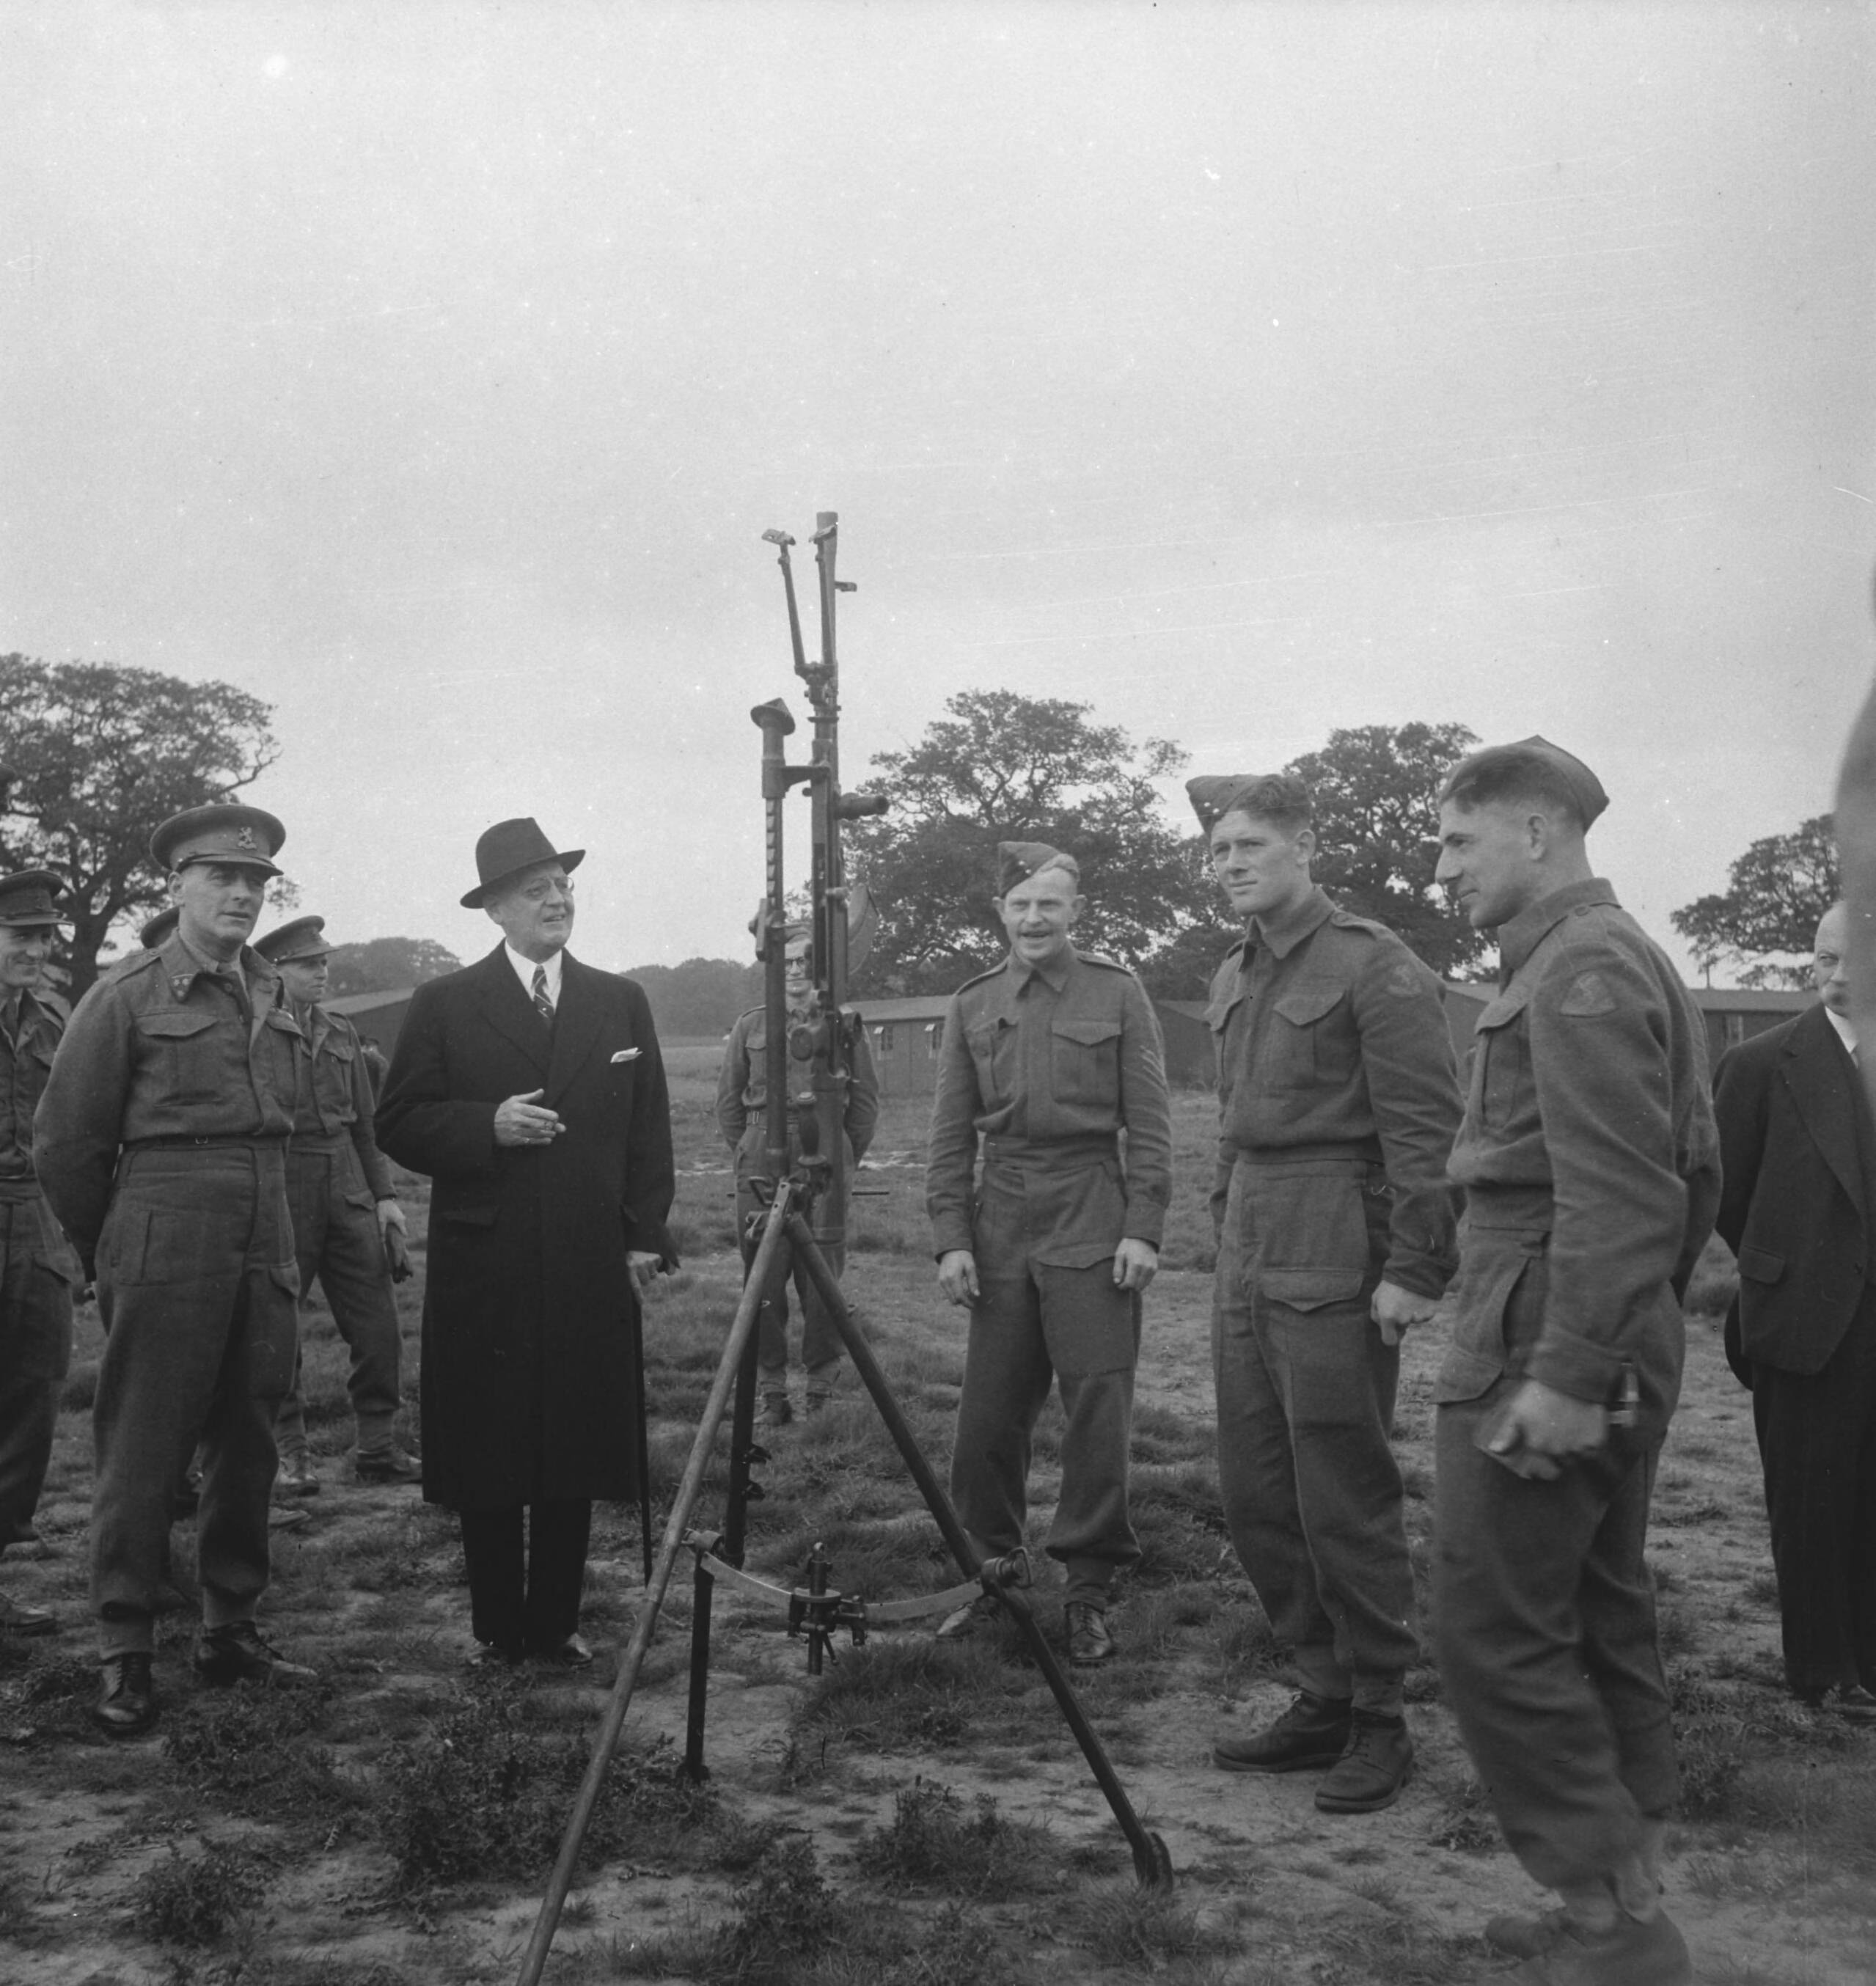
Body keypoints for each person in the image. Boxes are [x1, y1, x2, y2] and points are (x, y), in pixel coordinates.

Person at [1429, 738, 1718, 1983]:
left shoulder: (1580, 967)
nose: (1442, 870)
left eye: (1459, 840)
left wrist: (1569, 1366)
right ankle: (1627, 1895)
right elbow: (1690, 1175)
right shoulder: (1603, 952)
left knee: (1487, 1619)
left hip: (1545, 1324)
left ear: (1536, 832)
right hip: (1594, 1314)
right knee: (1595, 1609)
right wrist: (1629, 1329)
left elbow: (1626, 1188)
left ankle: (1607, 1922)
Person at [1191, 773, 1460, 1815]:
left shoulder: (1371, 962)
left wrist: (1414, 1267)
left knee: (1339, 1488)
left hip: (1333, 1234)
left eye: (1249, 846)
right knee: (1256, 1489)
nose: (1229, 865)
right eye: (1218, 850)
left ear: (1303, 846)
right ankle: (1322, 1690)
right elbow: (1233, 1118)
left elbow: (1423, 1131)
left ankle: (1381, 1714)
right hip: (1250, 1238)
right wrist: (1225, 1216)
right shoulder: (1232, 969)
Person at [34, 805, 316, 1736]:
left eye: (255, 881)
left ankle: (229, 1624)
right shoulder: (125, 993)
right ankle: (126, 1643)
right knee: (144, 1442)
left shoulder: (274, 989)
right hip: (165, 1222)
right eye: (220, 877)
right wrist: (110, 1247)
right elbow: (66, 1141)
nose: (241, 894)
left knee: (250, 1434)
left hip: (265, 1220)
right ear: (178, 885)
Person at [375, 817, 675, 1667]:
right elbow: (398, 1119)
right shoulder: (443, 1003)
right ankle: (495, 1628)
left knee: (573, 1437)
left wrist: (643, 1233)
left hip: (588, 1255)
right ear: (495, 908)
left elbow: (649, 1129)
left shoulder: (619, 999)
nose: (557, 900)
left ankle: (554, 1623)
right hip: (486, 1261)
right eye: (536, 889)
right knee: (491, 1440)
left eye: (563, 885)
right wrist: (487, 1125)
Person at [926, 840, 1171, 1668]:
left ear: (1075, 911)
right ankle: (990, 1576)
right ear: (1000, 912)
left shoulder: (1117, 991)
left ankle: (1087, 1590)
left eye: (1050, 904)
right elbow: (949, 1133)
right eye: (1020, 904)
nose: (1034, 918)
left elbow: (1151, 1121)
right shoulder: (972, 1001)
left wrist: (1143, 1226)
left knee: (1097, 1410)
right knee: (987, 1418)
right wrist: (952, 1238)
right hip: (1001, 1220)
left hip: (1091, 1211)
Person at [1712, 902, 1876, 1721]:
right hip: (1805, 1320)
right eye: (1822, 959)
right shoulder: (1758, 1063)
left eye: (1855, 960)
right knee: (1810, 1499)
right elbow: (1726, 1193)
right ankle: (1822, 1669)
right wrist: (1790, 1265)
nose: (1836, 977)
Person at [253, 916, 417, 1494]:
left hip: (347, 1186)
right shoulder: (255, 1032)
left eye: (324, 962)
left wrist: (386, 1198)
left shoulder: (342, 1032)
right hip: (283, 1183)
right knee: (278, 1327)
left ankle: (378, 1445)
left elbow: (365, 1128)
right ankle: (290, 1453)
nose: (321, 971)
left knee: (378, 1324)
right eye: (308, 964)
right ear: (276, 972)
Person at [715, 923, 880, 1424]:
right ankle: (771, 1392)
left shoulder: (844, 1024)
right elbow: (729, 1103)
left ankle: (820, 1389)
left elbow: (865, 1105)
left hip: (824, 1149)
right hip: (761, 1150)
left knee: (821, 1274)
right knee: (762, 1274)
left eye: (805, 961)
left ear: (820, 968)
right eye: (785, 962)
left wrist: (841, 1154)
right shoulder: (750, 1025)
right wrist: (751, 1150)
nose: (794, 971)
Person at [0, 871, 81, 1635]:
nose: (36, 949)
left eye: (44, 937)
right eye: (20, 935)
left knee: (32, 1394)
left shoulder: (53, 1020)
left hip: (35, 1215)